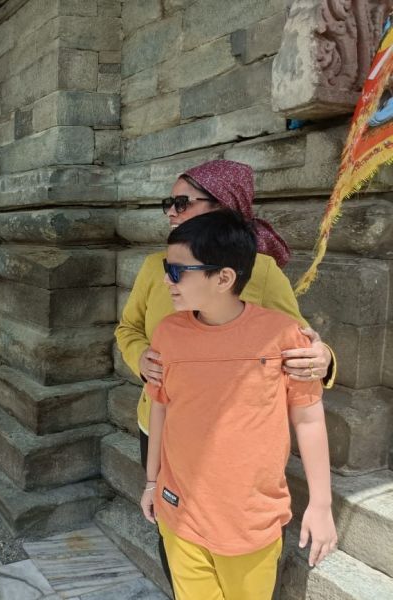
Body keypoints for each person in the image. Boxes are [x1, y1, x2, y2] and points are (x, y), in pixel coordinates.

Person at [114, 159, 336, 589]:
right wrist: (141, 359)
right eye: (167, 203)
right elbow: (128, 328)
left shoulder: (262, 272)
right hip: (163, 422)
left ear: (223, 206)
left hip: (240, 456)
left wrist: (323, 358)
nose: (171, 211)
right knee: (172, 530)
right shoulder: (156, 268)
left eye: (182, 202)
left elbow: (299, 343)